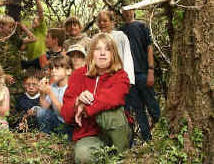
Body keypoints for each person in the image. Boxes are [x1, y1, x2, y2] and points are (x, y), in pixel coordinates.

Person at [61, 33, 132, 163]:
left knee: (109, 113)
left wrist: (85, 107)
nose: (103, 53)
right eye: (98, 49)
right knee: (83, 157)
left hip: (117, 134)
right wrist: (77, 101)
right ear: (91, 53)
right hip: (89, 134)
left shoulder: (121, 76)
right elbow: (65, 113)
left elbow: (113, 98)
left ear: (113, 54)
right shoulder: (78, 75)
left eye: (108, 49)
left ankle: (121, 157)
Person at [120, 9, 161, 142]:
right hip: (129, 78)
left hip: (143, 72)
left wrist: (150, 70)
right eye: (124, 10)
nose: (127, 12)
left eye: (129, 10)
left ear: (134, 11)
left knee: (152, 104)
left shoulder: (142, 26)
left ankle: (162, 131)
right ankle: (147, 139)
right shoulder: (120, 31)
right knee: (138, 109)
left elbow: (149, 47)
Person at [36, 55, 73, 137]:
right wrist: (42, 93)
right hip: (58, 122)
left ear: (68, 71)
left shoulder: (72, 88)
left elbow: (65, 114)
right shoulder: (53, 86)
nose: (53, 71)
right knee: (40, 111)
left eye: (57, 68)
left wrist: (50, 93)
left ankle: (64, 138)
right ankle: (46, 135)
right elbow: (45, 107)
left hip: (69, 126)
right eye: (52, 68)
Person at [96, 10, 135, 85]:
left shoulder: (120, 36)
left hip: (118, 77)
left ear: (111, 22)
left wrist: (129, 79)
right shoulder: (96, 39)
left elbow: (127, 56)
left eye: (105, 21)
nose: (102, 23)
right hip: (101, 79)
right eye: (99, 21)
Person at [0, 14, 37, 80]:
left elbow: (33, 39)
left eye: (12, 27)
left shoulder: (14, 41)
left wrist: (23, 27)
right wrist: (4, 76)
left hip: (17, 77)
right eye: (10, 27)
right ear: (1, 27)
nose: (12, 30)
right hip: (3, 79)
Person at [20, 0, 48, 69]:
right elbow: (22, 48)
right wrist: (25, 41)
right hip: (32, 66)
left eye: (37, 19)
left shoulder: (41, 30)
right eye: (33, 19)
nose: (34, 20)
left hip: (42, 63)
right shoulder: (29, 35)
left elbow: (40, 12)